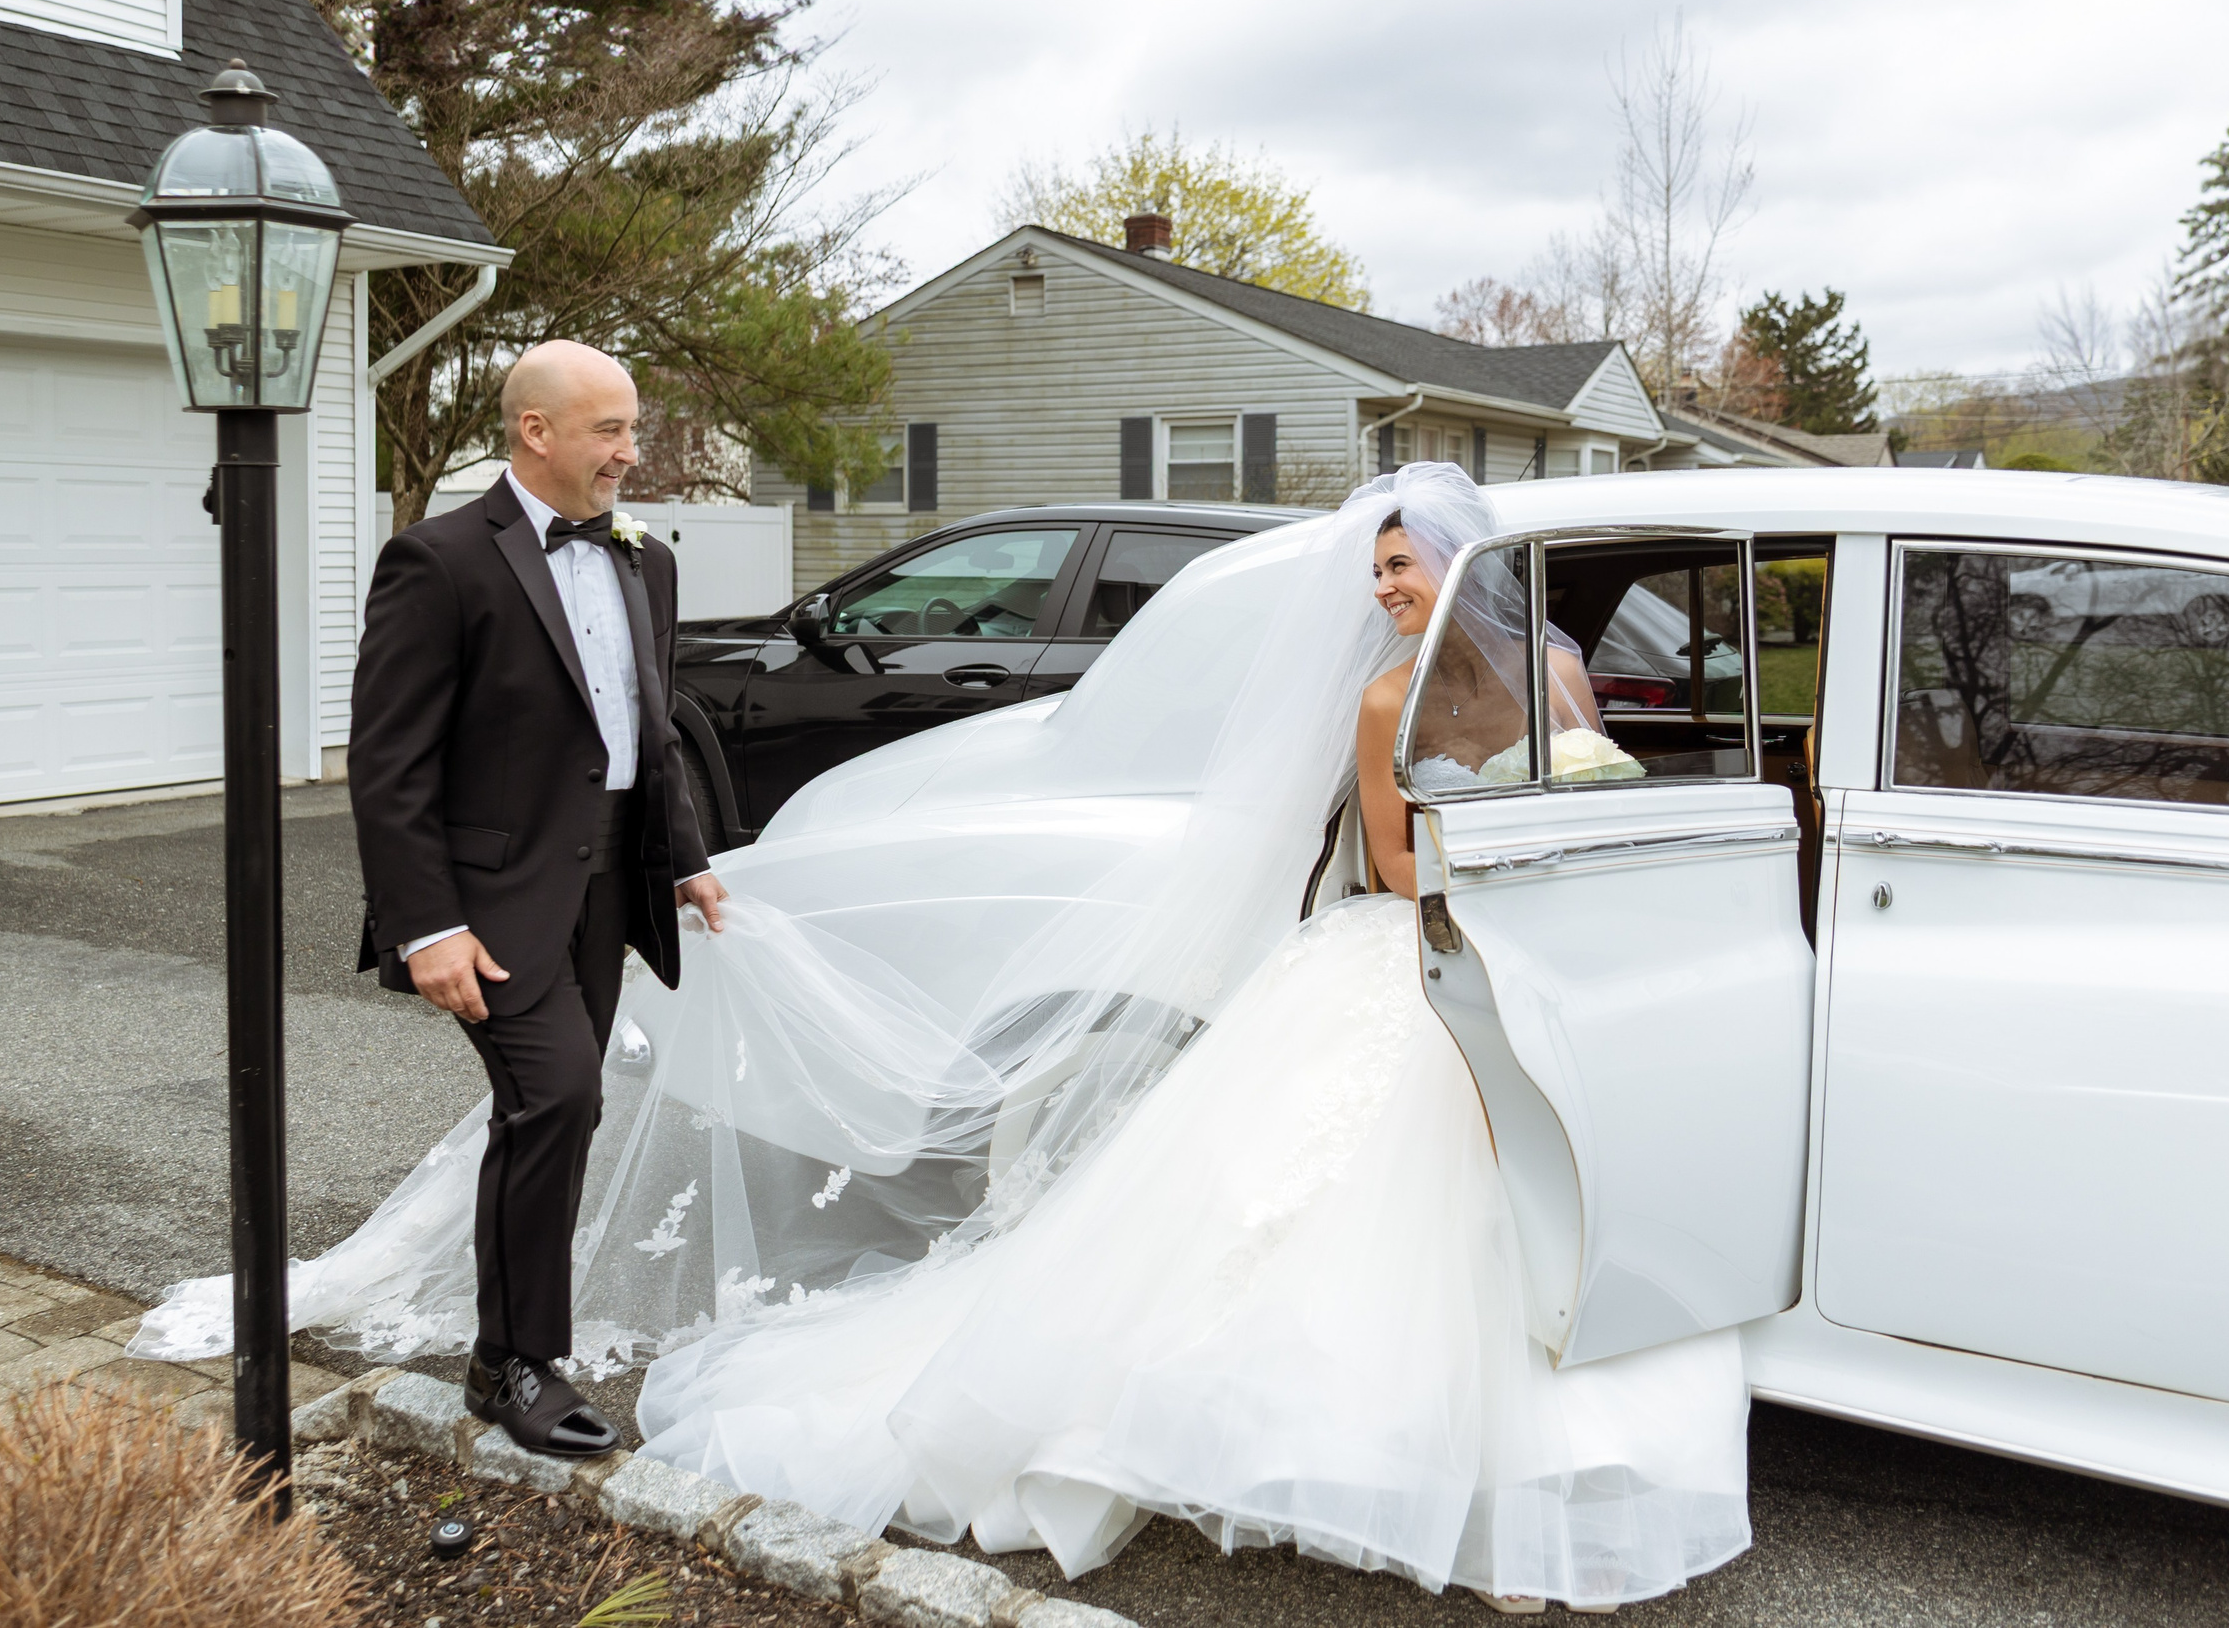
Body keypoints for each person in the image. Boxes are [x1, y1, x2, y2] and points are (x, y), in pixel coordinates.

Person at [128, 464, 1749, 1609]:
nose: (1391, 588)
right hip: (1413, 950)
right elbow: (1399, 862)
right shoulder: (1387, 702)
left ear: (1466, 563)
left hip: (1530, 955)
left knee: (1521, 1214)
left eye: (1409, 563)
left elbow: (1586, 795)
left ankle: (1504, 1462)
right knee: (1348, 1205)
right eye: (1381, 566)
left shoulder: (1546, 666)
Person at [346, 340, 728, 1456]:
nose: (629, 450)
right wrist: (427, 925)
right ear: (537, 432)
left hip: (611, 885)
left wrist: (684, 859)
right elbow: (390, 763)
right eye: (609, 429)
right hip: (489, 898)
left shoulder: (644, 560)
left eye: (630, 426)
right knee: (557, 1096)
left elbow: (644, 733)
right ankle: (511, 1363)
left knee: (557, 1108)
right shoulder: (439, 559)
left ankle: (510, 1348)